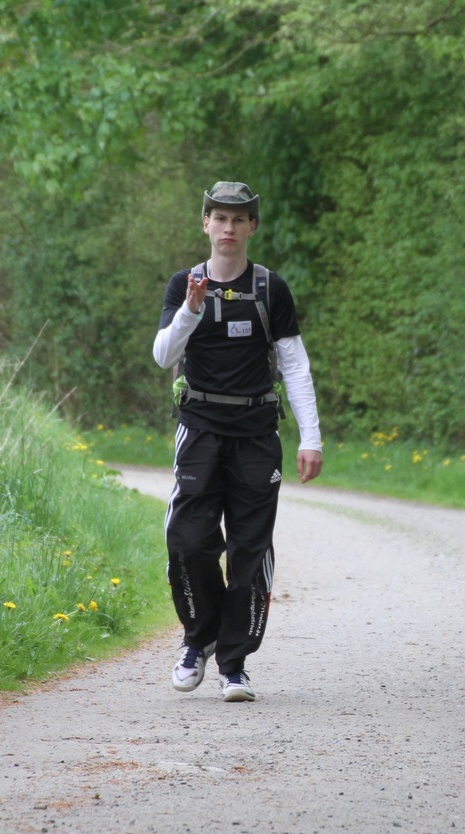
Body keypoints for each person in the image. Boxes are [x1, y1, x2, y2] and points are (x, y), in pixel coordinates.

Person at [152, 181, 323, 702]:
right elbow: (163, 356)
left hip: (256, 434)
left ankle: (234, 665)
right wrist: (190, 310)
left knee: (249, 551)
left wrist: (311, 438)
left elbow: (295, 366)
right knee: (187, 542)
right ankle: (197, 640)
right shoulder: (184, 284)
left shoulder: (271, 288)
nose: (228, 228)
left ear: (252, 227)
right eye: (220, 218)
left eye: (238, 219)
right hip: (200, 431)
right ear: (205, 223)